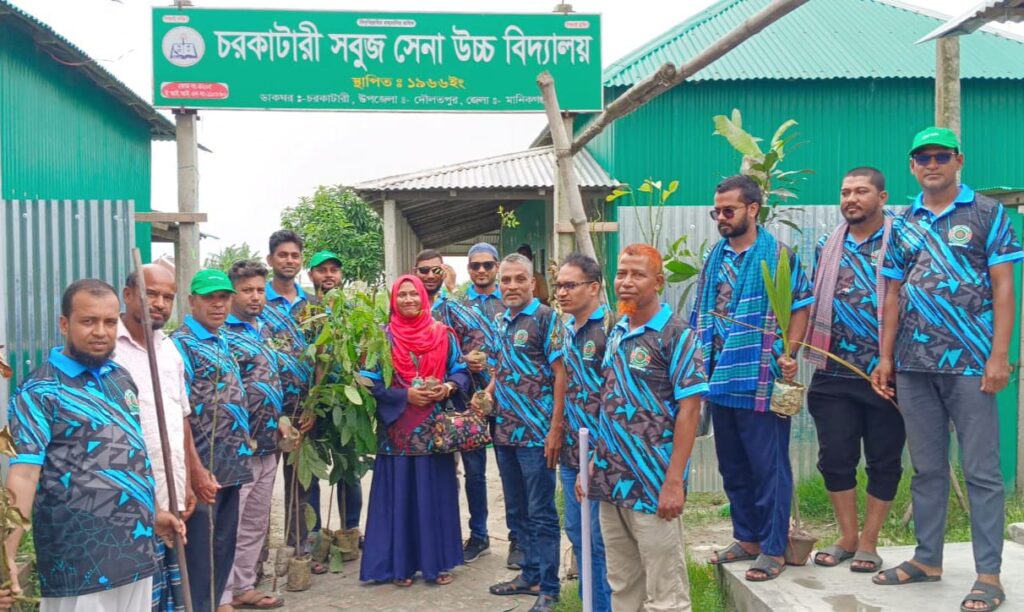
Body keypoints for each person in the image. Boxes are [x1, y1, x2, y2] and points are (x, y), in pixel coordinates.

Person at [871, 127, 1020, 612]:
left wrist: (999, 356)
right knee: (927, 468)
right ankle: (927, 559)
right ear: (912, 166)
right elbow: (892, 292)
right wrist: (886, 357)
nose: (931, 164)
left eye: (939, 156)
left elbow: (1003, 289)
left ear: (958, 159)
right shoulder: (904, 221)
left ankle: (988, 574)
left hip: (970, 366)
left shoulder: (988, 214)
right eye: (922, 157)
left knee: (981, 472)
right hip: (914, 366)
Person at [4, 279, 183, 611]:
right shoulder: (39, 391)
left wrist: (155, 512)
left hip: (136, 552)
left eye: (110, 322)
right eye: (88, 321)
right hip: (78, 560)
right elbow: (24, 476)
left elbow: (134, 455)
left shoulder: (120, 379)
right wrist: (7, 554)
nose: (101, 331)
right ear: (64, 324)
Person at [692, 175, 813, 582]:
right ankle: (747, 539)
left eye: (729, 210)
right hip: (720, 378)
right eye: (716, 211)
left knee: (769, 467)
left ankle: (774, 548)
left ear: (753, 209)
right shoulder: (715, 256)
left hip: (761, 378)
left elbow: (801, 306)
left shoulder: (778, 255)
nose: (721, 218)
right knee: (733, 467)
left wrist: (790, 352)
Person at [587, 245, 708, 611]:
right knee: (623, 583)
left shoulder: (677, 334)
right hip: (611, 481)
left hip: (654, 485)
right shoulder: (617, 330)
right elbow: (609, 399)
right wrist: (594, 461)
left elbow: (690, 411)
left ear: (658, 281)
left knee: (664, 590)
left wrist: (674, 482)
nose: (625, 282)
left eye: (637, 275)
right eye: (621, 273)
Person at [804, 168, 905, 573]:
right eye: (845, 192)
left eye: (861, 191)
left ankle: (870, 540)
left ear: (882, 197)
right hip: (833, 369)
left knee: (884, 459)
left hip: (887, 374)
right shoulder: (827, 244)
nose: (851, 198)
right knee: (835, 459)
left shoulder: (903, 241)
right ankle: (847, 535)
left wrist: (892, 358)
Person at [359, 275, 470, 586]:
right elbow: (368, 381)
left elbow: (460, 371)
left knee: (434, 493)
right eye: (402, 295)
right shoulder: (381, 337)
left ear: (424, 297)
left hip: (433, 428)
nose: (409, 300)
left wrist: (447, 386)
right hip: (398, 431)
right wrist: (403, 395)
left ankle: (436, 564)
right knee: (401, 496)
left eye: (414, 294)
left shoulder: (443, 334)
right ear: (394, 300)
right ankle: (399, 566)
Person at [487, 253, 565, 612]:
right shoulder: (502, 320)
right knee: (517, 512)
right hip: (504, 432)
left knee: (542, 512)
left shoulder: (546, 319)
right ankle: (529, 575)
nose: (512, 286)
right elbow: (503, 366)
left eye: (520, 279)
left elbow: (562, 374)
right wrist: (487, 393)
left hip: (536, 435)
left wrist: (555, 428)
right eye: (506, 280)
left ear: (533, 283)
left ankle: (549, 587)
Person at [171, 269, 254, 612]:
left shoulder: (220, 339)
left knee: (222, 549)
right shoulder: (182, 345)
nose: (218, 305)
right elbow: (180, 411)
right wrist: (196, 471)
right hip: (204, 468)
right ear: (192, 302)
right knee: (201, 555)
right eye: (209, 298)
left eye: (223, 298)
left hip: (231, 465)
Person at [114, 265, 195, 612]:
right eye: (152, 294)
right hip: (128, 500)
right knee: (132, 592)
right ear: (128, 294)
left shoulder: (169, 350)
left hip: (170, 489)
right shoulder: (109, 349)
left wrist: (190, 479)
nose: (160, 303)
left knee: (167, 592)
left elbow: (181, 418)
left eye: (167, 297)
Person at [412, 248, 497, 563]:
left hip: (460, 400)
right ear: (415, 271)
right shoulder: (408, 304)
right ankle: (439, 537)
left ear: (444, 273)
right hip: (421, 404)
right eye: (425, 271)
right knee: (435, 471)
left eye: (437, 271)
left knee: (474, 471)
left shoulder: (454, 307)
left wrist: (462, 365)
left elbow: (479, 341)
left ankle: (479, 535)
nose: (431, 276)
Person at [221, 261, 285, 610]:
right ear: (233, 293)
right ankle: (222, 592)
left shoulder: (265, 329)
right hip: (238, 447)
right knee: (231, 520)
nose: (256, 297)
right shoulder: (222, 333)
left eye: (260, 290)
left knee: (255, 521)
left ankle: (244, 585)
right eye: (247, 290)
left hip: (269, 442)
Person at [552, 253, 612, 612]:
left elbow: (614, 399)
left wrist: (596, 457)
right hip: (571, 453)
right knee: (576, 534)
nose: (561, 292)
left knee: (599, 540)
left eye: (569, 285)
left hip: (600, 455)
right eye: (558, 285)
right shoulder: (567, 330)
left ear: (593, 288)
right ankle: (589, 602)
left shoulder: (609, 331)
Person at [260, 231, 318, 552]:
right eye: (283, 255)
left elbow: (322, 357)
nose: (289, 261)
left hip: (302, 408)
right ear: (270, 260)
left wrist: (313, 404)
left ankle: (299, 547)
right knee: (260, 483)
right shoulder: (258, 301)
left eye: (295, 255)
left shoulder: (313, 305)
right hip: (266, 411)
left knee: (300, 482)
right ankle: (257, 555)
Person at [306, 250, 363, 539]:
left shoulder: (352, 310)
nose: (328, 275)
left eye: (334, 270)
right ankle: (314, 533)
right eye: (321, 270)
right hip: (314, 401)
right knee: (313, 467)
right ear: (311, 275)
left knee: (348, 466)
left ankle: (350, 529)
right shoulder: (305, 311)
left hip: (346, 400)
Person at [458, 242, 508, 564]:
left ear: (497, 267)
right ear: (469, 269)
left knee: (509, 471)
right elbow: (447, 349)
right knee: (474, 473)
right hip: (470, 402)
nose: (481, 271)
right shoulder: (458, 306)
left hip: (508, 400)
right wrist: (464, 359)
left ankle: (519, 538)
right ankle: (479, 535)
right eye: (475, 266)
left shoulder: (510, 301)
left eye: (487, 265)